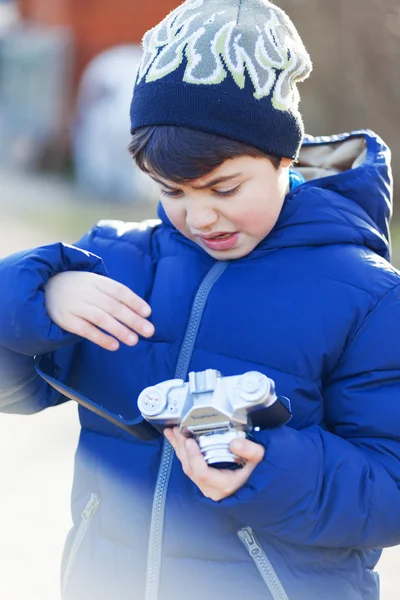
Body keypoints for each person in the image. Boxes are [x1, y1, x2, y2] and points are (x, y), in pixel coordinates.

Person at [1, 1, 400, 599]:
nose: (200, 215)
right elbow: (16, 390)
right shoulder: (116, 264)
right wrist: (32, 299)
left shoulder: (368, 297)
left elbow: (389, 487)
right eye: (171, 190)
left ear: (284, 159)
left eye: (224, 187)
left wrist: (271, 472)